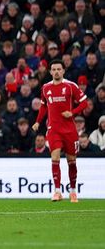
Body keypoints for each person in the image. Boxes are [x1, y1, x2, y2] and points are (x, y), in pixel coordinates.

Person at [32, 60, 88, 202]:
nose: (56, 71)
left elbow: (84, 103)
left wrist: (73, 112)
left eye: (59, 69)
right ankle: (57, 191)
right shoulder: (46, 88)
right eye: (54, 69)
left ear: (63, 71)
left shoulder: (70, 86)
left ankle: (73, 191)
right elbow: (44, 106)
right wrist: (38, 122)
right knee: (55, 158)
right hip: (53, 129)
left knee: (71, 161)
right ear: (50, 72)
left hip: (69, 130)